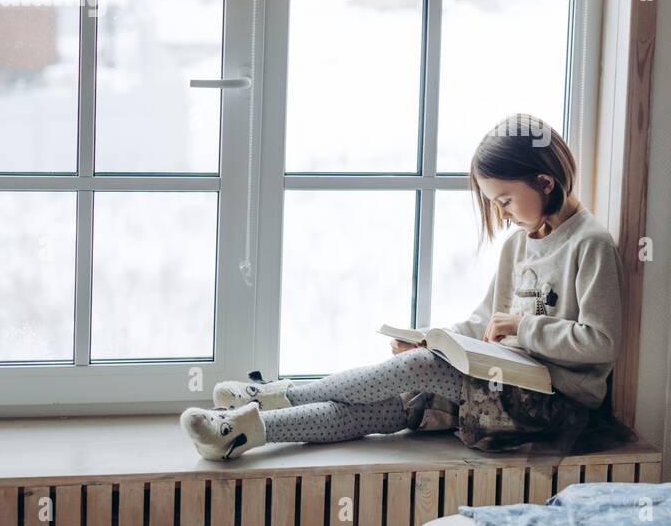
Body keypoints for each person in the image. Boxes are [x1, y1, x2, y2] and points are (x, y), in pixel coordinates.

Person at [180, 113, 635, 460]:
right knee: (392, 407)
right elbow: (484, 323)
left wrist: (522, 327)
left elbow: (600, 343)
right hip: (499, 388)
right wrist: (431, 339)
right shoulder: (519, 246)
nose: (503, 213)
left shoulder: (589, 244)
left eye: (506, 200)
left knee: (418, 370)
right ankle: (243, 432)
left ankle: (272, 395)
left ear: (545, 182)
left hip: (556, 404)